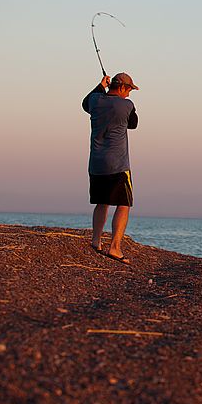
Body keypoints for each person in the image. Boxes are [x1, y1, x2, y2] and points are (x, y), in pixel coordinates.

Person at [82, 72, 139, 263]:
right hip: (118, 164)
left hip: (96, 164)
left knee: (102, 202)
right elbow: (133, 124)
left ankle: (96, 241)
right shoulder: (126, 105)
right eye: (129, 90)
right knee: (124, 204)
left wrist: (100, 86)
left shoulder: (95, 100)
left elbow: (85, 103)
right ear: (122, 87)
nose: (129, 94)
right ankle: (115, 247)